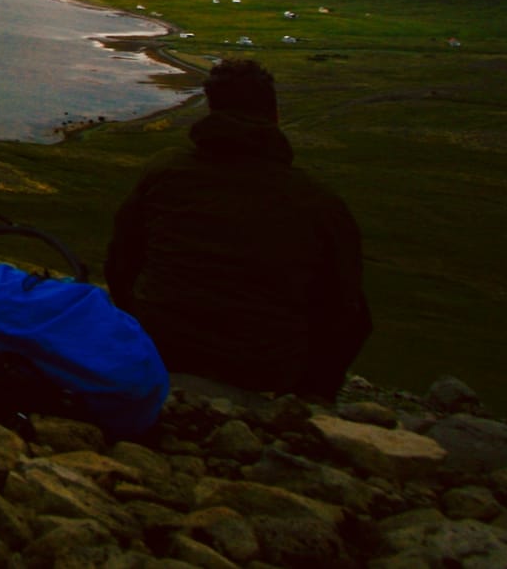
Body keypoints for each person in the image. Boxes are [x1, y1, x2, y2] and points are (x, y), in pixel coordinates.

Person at [106, 57, 370, 399]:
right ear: (274, 115)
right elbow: (346, 312)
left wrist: (140, 329)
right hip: (264, 373)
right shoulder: (318, 202)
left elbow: (120, 264)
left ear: (211, 108)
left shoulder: (165, 172)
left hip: (161, 352)